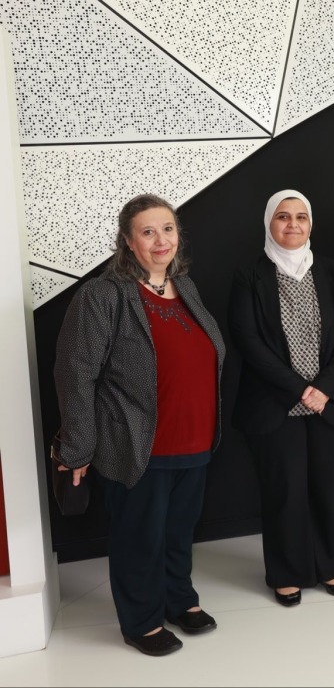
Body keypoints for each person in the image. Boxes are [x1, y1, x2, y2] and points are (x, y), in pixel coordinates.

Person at [53, 194, 224, 656]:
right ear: (128, 242)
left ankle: (178, 600)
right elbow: (75, 374)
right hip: (138, 446)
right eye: (148, 231)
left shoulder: (185, 286)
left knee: (178, 532)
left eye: (167, 229)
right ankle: (141, 621)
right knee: (139, 538)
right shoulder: (103, 295)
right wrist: (78, 447)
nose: (160, 239)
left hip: (193, 440)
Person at [227, 190, 334, 606]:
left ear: (311, 225)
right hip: (275, 403)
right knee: (285, 490)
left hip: (328, 401)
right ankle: (287, 573)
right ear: (269, 223)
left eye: (301, 217)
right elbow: (248, 341)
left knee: (326, 487)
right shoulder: (249, 277)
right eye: (283, 217)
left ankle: (331, 566)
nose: (292, 225)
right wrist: (300, 389)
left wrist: (324, 389)